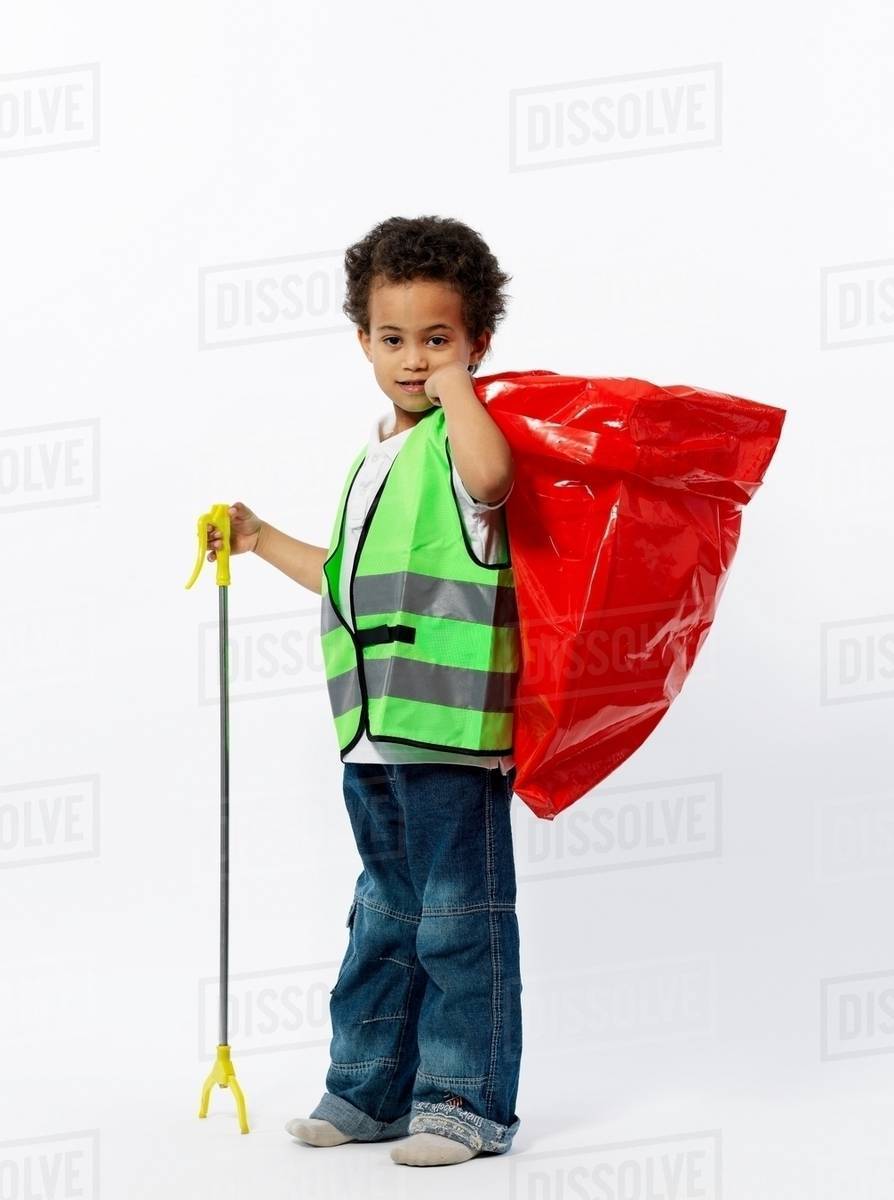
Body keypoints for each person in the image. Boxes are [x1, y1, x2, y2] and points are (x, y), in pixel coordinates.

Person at [205, 215, 523, 1167]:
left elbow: (495, 475)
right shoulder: (375, 455)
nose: (415, 360)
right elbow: (344, 575)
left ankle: (466, 1104)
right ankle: (372, 1090)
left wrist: (466, 390)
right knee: (383, 917)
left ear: (476, 343)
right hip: (374, 738)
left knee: (462, 921)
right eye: (395, 339)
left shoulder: (463, 448)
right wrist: (262, 542)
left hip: (452, 736)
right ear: (363, 342)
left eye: (440, 339)